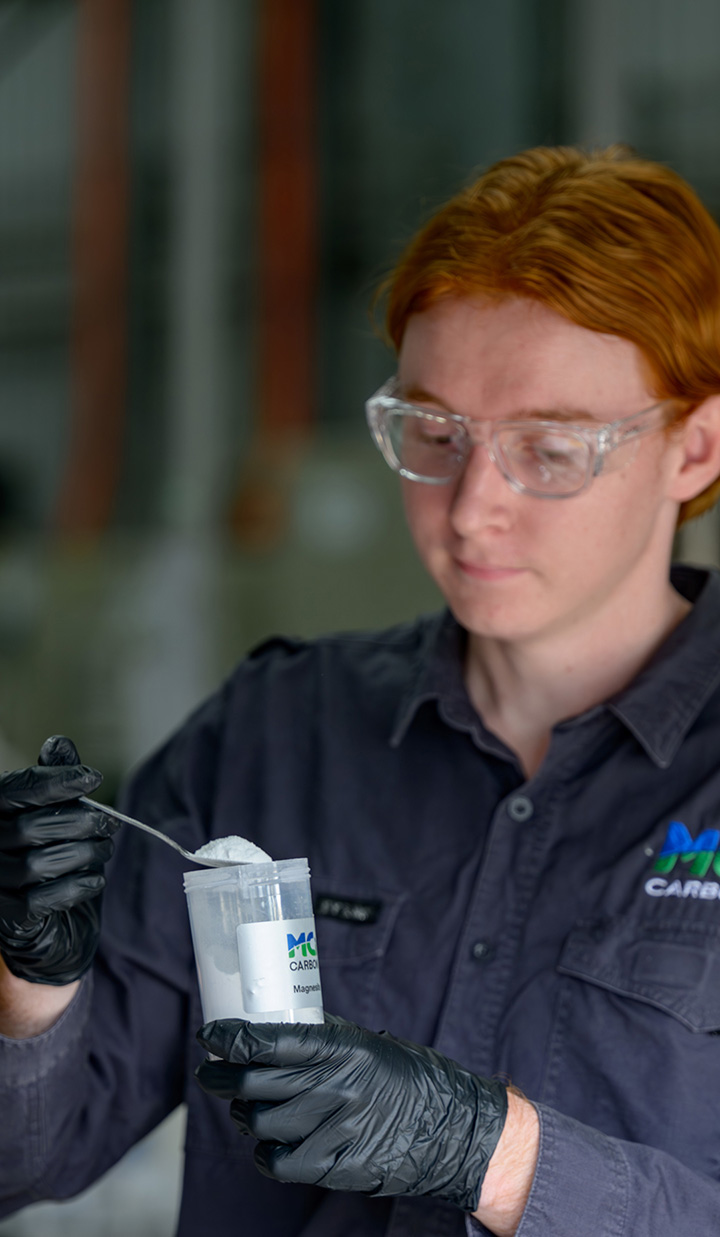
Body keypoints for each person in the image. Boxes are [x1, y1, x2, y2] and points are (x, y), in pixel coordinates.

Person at [2, 144, 720, 1237]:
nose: (474, 505)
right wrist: (32, 987)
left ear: (695, 444)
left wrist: (498, 1155)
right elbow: (33, 1158)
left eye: (550, 449)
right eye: (436, 434)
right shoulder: (276, 735)